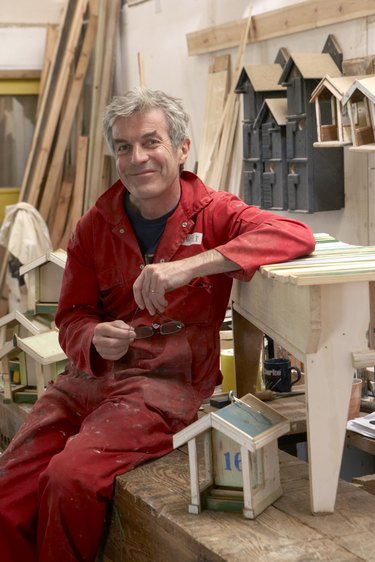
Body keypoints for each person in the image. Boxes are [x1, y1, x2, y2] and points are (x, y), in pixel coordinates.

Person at [0, 87, 315, 562]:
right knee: (9, 490)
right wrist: (92, 337)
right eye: (124, 147)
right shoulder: (94, 225)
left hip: (163, 384)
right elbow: (70, 319)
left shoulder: (216, 212)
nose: (137, 157)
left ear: (182, 148)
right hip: (86, 381)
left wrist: (194, 265)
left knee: (69, 482)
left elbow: (295, 234)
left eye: (151, 142)